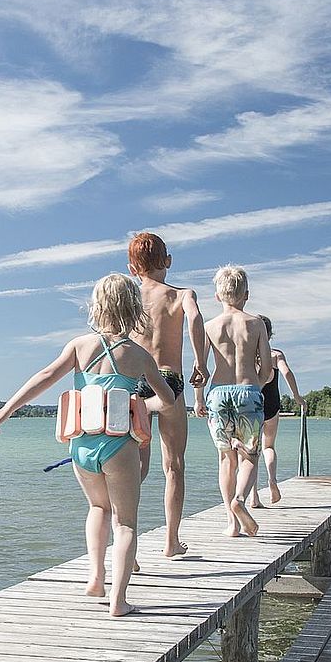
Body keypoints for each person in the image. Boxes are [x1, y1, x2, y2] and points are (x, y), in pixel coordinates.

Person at [0, 274, 182, 616]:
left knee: (97, 509)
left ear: (97, 306)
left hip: (81, 448)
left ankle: (95, 578)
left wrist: (7, 409)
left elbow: (45, 377)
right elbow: (166, 401)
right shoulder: (138, 355)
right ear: (134, 308)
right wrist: (139, 404)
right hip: (118, 447)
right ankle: (119, 601)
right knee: (126, 523)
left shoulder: (80, 346)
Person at [124, 231, 207, 560]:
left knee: (135, 469)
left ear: (132, 268)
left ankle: (128, 545)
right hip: (169, 379)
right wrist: (201, 361)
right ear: (168, 261)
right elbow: (196, 318)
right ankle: (171, 541)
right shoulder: (182, 294)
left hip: (135, 383)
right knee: (174, 466)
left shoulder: (131, 299)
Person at [196, 265, 270, 537]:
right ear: (246, 295)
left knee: (226, 459)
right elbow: (267, 369)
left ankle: (232, 522)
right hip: (248, 390)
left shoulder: (210, 327)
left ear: (217, 297)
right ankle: (241, 498)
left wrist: (198, 399)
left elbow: (200, 369)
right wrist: (257, 385)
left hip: (218, 393)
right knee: (249, 456)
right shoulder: (257, 323)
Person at [250, 315, 303, 508]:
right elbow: (287, 372)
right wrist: (296, 396)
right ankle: (272, 480)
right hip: (272, 404)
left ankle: (254, 497)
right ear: (270, 334)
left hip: (253, 404)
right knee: (268, 447)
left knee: (251, 452)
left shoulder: (248, 354)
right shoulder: (275, 354)